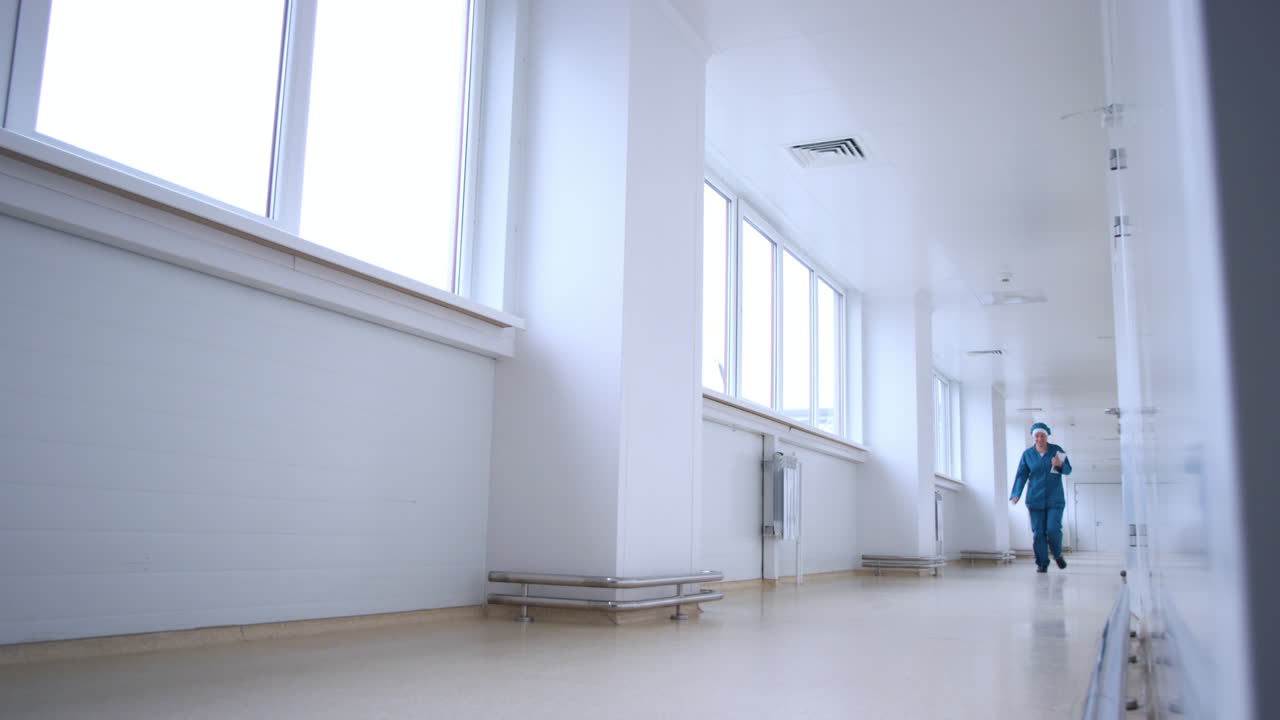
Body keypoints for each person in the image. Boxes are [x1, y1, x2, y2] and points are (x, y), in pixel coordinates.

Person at [1010, 422, 1073, 573]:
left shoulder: (1057, 450)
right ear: (1033, 437)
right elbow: (1021, 475)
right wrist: (1016, 494)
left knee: (1052, 530)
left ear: (1047, 436)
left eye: (1042, 435)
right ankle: (1042, 563)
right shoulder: (1027, 454)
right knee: (1038, 533)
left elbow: (1068, 470)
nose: (1039, 438)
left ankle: (1057, 554)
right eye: (1036, 436)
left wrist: (1060, 465)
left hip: (1055, 499)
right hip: (1035, 499)